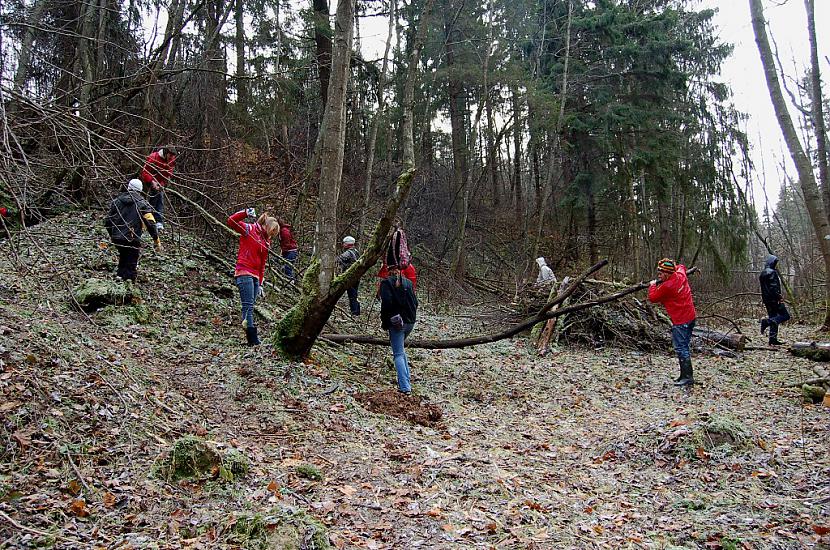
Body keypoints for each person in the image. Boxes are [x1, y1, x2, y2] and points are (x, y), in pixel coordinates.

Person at [227, 208, 280, 345]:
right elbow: (231, 221)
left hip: (256, 276)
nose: (271, 236)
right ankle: (252, 338)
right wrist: (245, 212)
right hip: (244, 272)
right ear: (266, 226)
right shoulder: (249, 230)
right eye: (271, 232)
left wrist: (261, 283)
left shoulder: (266, 241)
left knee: (250, 306)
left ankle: (250, 335)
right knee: (248, 306)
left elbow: (263, 264)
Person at [648, 258, 697, 386]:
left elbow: (653, 298)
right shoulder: (680, 274)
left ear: (668, 274)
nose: (659, 275)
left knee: (681, 348)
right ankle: (684, 375)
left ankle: (687, 377)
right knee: (684, 347)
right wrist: (672, 264)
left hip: (681, 321)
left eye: (661, 272)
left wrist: (653, 285)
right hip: (691, 317)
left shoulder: (667, 286)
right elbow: (682, 266)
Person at [105, 179, 161, 282]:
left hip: (117, 238)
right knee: (130, 264)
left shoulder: (117, 201)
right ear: (140, 190)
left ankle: (119, 279)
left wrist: (113, 234)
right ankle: (127, 287)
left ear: (129, 187)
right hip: (132, 238)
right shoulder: (142, 203)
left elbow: (108, 221)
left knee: (123, 258)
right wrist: (156, 240)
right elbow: (151, 223)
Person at [379, 263, 418, 395]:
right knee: (401, 352)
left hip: (397, 323)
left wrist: (385, 322)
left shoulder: (386, 283)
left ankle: (405, 387)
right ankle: (406, 382)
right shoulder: (407, 282)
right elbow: (415, 302)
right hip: (410, 322)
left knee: (398, 355)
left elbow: (386, 304)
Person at [139, 146, 177, 231]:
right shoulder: (153, 157)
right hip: (148, 181)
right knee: (153, 198)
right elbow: (145, 172)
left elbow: (168, 174)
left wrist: (161, 184)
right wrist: (152, 181)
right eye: (170, 156)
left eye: (172, 157)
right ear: (166, 153)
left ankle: (155, 221)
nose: (171, 158)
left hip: (160, 183)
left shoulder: (171, 160)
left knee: (159, 198)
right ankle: (151, 220)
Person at [759, 254, 790, 346]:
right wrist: (779, 297)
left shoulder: (763, 273)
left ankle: (772, 340)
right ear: (772, 262)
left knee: (774, 317)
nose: (776, 264)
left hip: (766, 299)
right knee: (785, 316)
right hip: (774, 299)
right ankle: (766, 322)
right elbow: (773, 287)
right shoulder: (772, 272)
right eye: (775, 262)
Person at [337, 236, 361, 315]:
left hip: (351, 277)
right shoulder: (356, 251)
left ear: (348, 244)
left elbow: (339, 259)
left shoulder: (348, 253)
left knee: (352, 295)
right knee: (354, 294)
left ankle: (354, 312)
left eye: (344, 243)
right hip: (357, 277)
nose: (343, 244)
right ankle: (356, 311)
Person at [277, 217, 298, 283]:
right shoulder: (281, 231)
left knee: (288, 267)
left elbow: (286, 244)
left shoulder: (284, 231)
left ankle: (291, 282)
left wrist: (282, 253)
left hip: (291, 251)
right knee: (286, 267)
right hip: (288, 251)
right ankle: (290, 280)